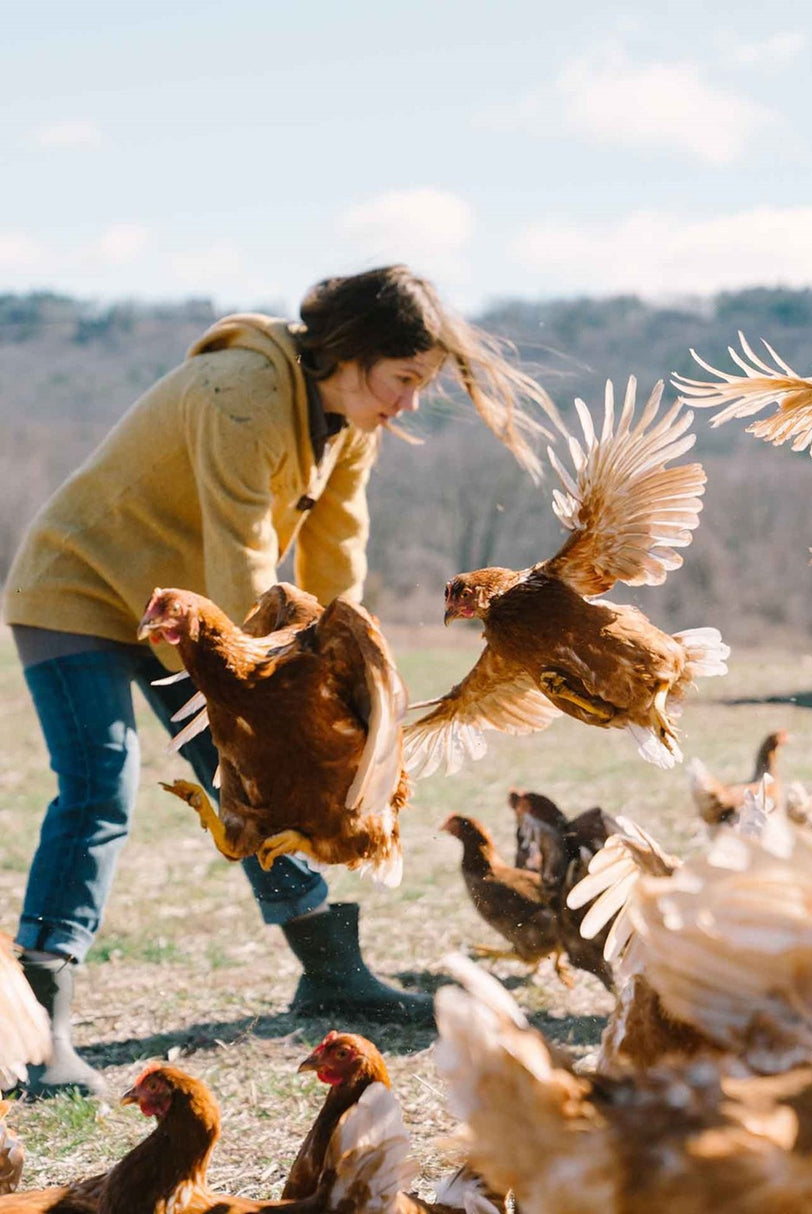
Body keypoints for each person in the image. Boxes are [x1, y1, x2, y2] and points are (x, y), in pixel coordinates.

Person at [2, 265, 558, 1097]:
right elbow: (243, 557)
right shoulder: (241, 390)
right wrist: (281, 699)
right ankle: (38, 1032)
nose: (409, 403)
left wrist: (346, 674)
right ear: (354, 353)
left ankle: (330, 971)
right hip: (77, 592)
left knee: (253, 781)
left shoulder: (351, 422)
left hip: (179, 611)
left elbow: (338, 552)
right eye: (403, 379)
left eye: (421, 386)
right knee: (98, 791)